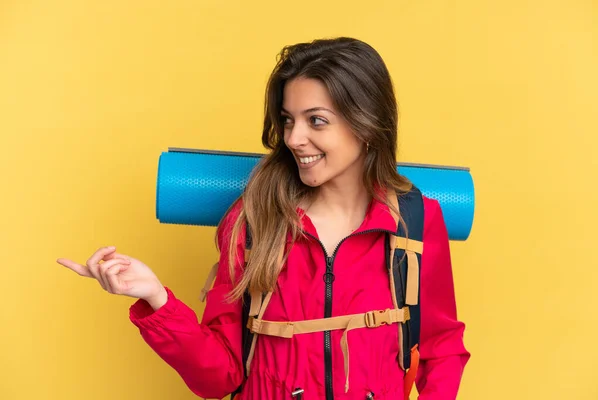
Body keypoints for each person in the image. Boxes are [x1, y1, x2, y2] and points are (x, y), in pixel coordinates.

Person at [57, 37, 470, 400]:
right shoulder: (250, 222)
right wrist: (157, 300)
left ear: (365, 124)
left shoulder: (415, 219)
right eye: (288, 120)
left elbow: (443, 346)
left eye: (316, 121)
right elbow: (218, 378)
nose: (293, 138)